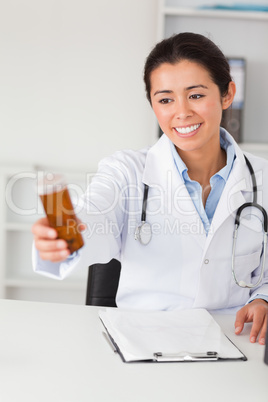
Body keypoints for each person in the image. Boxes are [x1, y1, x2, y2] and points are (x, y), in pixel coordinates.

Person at [32, 32, 268, 345]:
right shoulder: (126, 171)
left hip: (236, 340)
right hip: (146, 342)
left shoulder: (261, 176)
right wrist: (64, 234)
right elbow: (95, 218)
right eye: (165, 99)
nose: (181, 112)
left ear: (227, 95)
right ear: (153, 105)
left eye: (196, 95)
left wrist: (262, 299)